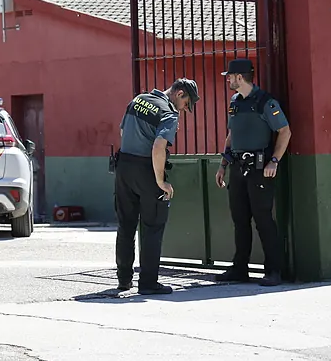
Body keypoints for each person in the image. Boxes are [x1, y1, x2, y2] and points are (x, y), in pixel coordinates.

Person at [114, 77, 199, 295]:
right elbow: (158, 147)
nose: (185, 108)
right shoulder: (168, 114)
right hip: (146, 170)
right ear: (179, 94)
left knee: (126, 226)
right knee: (152, 228)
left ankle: (124, 280)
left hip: (124, 166)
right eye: (186, 103)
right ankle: (148, 283)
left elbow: (123, 132)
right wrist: (161, 181)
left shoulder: (138, 100)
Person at [214, 58, 292, 286]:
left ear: (240, 77)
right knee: (240, 220)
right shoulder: (235, 101)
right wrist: (223, 164)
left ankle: (274, 271)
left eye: (230, 76)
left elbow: (285, 131)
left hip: (259, 170)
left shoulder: (265, 102)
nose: (228, 79)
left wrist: (274, 161)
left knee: (263, 220)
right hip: (237, 168)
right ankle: (240, 269)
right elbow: (232, 134)